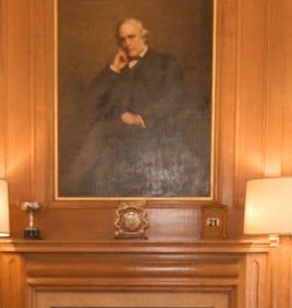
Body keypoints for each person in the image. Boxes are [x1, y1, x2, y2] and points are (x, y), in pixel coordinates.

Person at [62, 17, 205, 197]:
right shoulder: (119, 67)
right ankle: (73, 194)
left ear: (145, 37)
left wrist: (140, 118)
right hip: (119, 132)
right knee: (101, 142)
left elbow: (174, 98)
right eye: (122, 39)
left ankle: (69, 187)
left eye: (131, 37)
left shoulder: (165, 62)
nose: (126, 43)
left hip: (155, 128)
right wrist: (113, 69)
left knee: (100, 133)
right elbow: (93, 101)